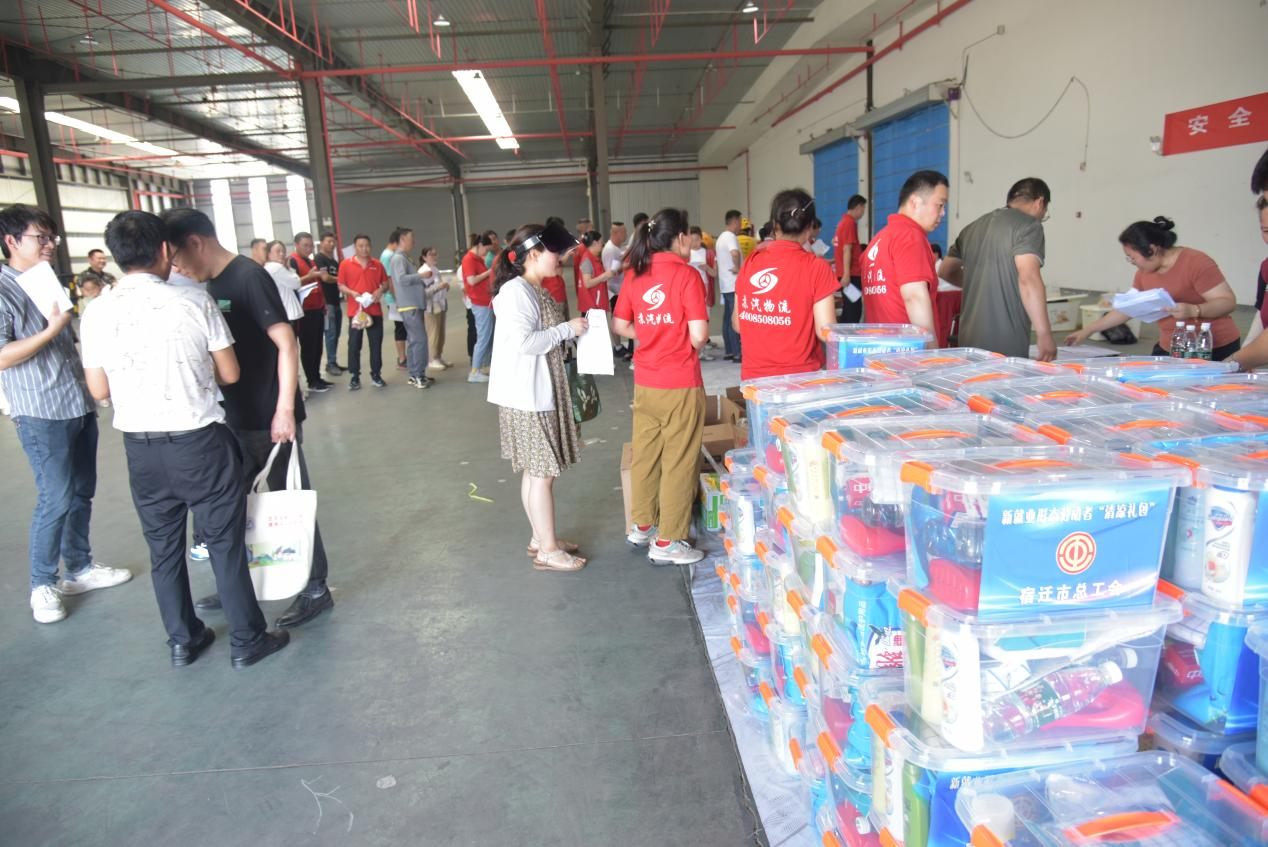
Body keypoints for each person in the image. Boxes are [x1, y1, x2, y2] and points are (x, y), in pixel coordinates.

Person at [82, 210, 286, 668]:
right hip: (198, 442)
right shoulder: (193, 302)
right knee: (224, 543)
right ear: (162, 250)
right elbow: (230, 372)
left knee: (164, 548)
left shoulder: (97, 312)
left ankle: (183, 638)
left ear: (115, 257)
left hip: (141, 448)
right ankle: (247, 640)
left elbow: (98, 389)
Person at [163, 207, 335, 631]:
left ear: (196, 242)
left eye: (176, 256)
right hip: (234, 415)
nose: (175, 267)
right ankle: (242, 584)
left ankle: (315, 588)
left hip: (268, 414)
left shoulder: (247, 276)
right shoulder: (212, 282)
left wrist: (284, 409)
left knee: (288, 499)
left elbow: (286, 343)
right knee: (238, 505)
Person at [0, 204, 131, 624]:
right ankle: (42, 584)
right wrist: (52, 331)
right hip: (40, 410)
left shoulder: (45, 279)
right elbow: (2, 356)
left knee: (81, 492)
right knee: (55, 496)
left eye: (51, 238)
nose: (50, 245)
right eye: (41, 238)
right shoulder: (3, 289)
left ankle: (79, 568)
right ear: (11, 241)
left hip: (75, 401)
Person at [487, 223, 590, 573]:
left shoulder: (532, 288)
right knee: (542, 473)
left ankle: (540, 538)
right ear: (533, 254)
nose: (561, 259)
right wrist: (566, 329)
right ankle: (548, 550)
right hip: (527, 395)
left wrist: (569, 332)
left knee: (536, 472)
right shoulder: (517, 292)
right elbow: (526, 343)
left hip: (532, 391)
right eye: (555, 253)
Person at [612, 209, 711, 566]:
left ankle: (642, 525)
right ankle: (668, 539)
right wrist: (675, 341)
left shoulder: (635, 273)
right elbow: (699, 336)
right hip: (680, 381)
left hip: (646, 381)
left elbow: (620, 324)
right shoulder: (687, 275)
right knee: (679, 460)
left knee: (647, 455)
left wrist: (651, 337)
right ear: (681, 237)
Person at [1068, 217, 1241, 360]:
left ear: (1152, 249)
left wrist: (1194, 310)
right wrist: (1087, 330)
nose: (1132, 262)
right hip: (1171, 346)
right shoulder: (1144, 273)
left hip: (1211, 347)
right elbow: (1127, 309)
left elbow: (1227, 302)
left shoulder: (1195, 262)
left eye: (1132, 257)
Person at [937, 178, 1055, 359]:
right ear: (1040, 202)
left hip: (968, 340)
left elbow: (945, 271)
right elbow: (1028, 278)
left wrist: (979, 282)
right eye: (1044, 212)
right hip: (1006, 343)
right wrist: (1044, 334)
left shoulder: (972, 228)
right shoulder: (1029, 225)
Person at [733, 189, 840, 380]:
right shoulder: (816, 267)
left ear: (775, 225)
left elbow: (738, 324)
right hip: (801, 381)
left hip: (755, 382)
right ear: (810, 227)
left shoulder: (751, 262)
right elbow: (826, 331)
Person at [861, 170, 946, 341]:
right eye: (940, 205)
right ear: (915, 202)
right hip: (908, 351)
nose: (943, 213)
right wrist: (931, 350)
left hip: (879, 348)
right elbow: (915, 297)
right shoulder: (910, 236)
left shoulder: (877, 241)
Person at [336, 234, 389, 389]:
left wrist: (380, 290)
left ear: (370, 246)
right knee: (354, 344)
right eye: (361, 246)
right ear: (355, 247)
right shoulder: (346, 264)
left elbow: (385, 283)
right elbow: (340, 285)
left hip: (374, 311)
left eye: (367, 245)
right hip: (356, 312)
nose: (364, 249)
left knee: (375, 344)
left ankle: (376, 375)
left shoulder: (377, 265)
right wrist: (352, 293)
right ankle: (354, 376)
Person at [288, 232, 333, 392]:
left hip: (317, 308)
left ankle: (317, 377)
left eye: (310, 245)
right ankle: (312, 381)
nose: (309, 248)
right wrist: (309, 276)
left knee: (317, 346)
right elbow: (293, 283)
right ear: (296, 245)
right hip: (305, 311)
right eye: (305, 245)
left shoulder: (310, 260)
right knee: (308, 346)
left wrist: (323, 305)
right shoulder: (293, 261)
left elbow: (318, 283)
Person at [387, 227, 432, 390]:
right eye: (411, 238)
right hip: (409, 305)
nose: (414, 241)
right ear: (402, 239)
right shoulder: (399, 258)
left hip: (412, 304)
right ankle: (419, 374)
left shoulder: (404, 258)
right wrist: (422, 276)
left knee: (414, 340)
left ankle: (414, 374)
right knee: (419, 340)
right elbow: (402, 279)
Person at [1231, 197, 1268, 370]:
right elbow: (1261, 313)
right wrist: (1246, 351)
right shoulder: (1266, 267)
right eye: (1266, 231)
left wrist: (1232, 363)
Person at [462, 233, 495, 383]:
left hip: (485, 302)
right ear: (480, 245)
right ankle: (474, 371)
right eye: (486, 249)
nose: (486, 253)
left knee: (487, 336)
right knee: (483, 337)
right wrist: (489, 272)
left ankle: (482, 367)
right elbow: (471, 280)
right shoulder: (469, 259)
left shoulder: (477, 259)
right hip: (480, 304)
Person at [832, 194, 866, 322]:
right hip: (851, 275)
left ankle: (842, 334)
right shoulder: (849, 223)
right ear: (858, 207)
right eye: (863, 209)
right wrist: (847, 274)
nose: (863, 212)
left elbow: (839, 245)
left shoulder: (842, 223)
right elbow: (847, 249)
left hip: (847, 274)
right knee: (854, 310)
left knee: (849, 309)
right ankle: (849, 335)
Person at [314, 231, 344, 375]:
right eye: (328, 242)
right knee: (331, 333)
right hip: (327, 303)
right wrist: (341, 279)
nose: (332, 244)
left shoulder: (334, 261)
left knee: (336, 333)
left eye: (333, 242)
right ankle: (331, 363)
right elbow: (325, 278)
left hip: (336, 301)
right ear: (321, 243)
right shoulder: (319, 258)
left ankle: (333, 361)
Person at [716, 210, 743, 361]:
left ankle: (729, 351)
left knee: (727, 318)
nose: (741, 225)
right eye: (740, 221)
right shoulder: (730, 237)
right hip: (733, 283)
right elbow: (735, 253)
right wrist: (738, 268)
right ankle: (737, 353)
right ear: (734, 221)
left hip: (725, 284)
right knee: (734, 318)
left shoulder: (721, 238)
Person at [602, 221, 632, 359]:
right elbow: (611, 273)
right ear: (616, 233)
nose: (626, 234)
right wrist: (625, 266)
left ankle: (620, 346)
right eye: (623, 232)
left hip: (620, 289)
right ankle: (618, 346)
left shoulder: (617, 248)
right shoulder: (610, 250)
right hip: (614, 290)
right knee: (617, 318)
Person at [419, 246, 451, 371]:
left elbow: (439, 285)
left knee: (441, 333)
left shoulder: (435, 269)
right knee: (433, 333)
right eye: (431, 254)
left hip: (441, 304)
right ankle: (432, 359)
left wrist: (445, 286)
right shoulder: (423, 272)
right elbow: (423, 293)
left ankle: (438, 355)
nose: (434, 257)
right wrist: (438, 287)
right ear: (424, 257)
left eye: (435, 254)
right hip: (430, 307)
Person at [263, 240, 305, 327]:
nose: (282, 254)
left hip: (281, 311)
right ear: (269, 254)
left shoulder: (268, 267)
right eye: (278, 251)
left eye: (283, 251)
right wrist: (289, 268)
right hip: (287, 312)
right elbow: (297, 283)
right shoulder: (276, 267)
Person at [576, 231, 614, 313]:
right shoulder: (587, 260)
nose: (602, 244)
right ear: (595, 243)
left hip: (597, 303)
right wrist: (604, 276)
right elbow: (587, 283)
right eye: (601, 242)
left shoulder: (594, 257)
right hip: (592, 307)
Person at [541, 216, 570, 317]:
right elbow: (556, 268)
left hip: (558, 287)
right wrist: (564, 256)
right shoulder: (546, 246)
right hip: (552, 291)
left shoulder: (552, 244)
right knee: (559, 321)